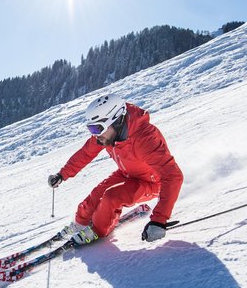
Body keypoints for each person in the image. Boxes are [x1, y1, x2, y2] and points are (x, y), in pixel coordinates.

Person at [47, 93, 183, 245]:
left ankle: (96, 231)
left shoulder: (145, 138)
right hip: (127, 173)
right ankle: (80, 223)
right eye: (91, 129)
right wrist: (62, 174)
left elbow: (173, 176)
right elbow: (86, 153)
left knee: (112, 197)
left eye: (97, 128)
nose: (95, 135)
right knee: (95, 195)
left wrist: (159, 220)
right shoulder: (107, 134)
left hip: (151, 182)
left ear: (117, 121)